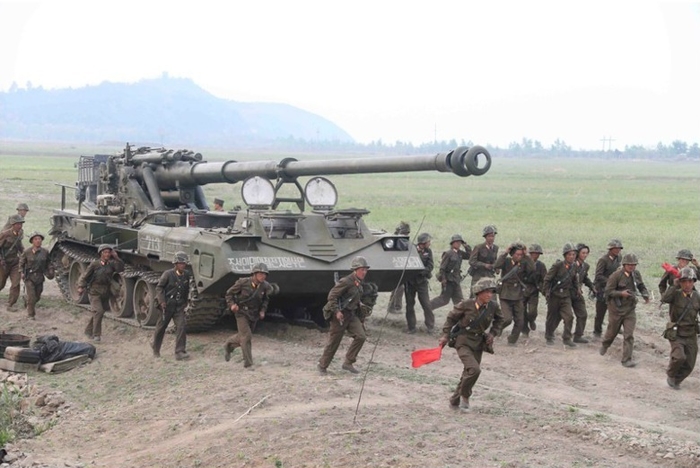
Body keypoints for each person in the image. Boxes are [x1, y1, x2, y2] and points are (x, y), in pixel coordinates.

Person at [438, 277, 504, 411]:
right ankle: (465, 397)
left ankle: (454, 401)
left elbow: (500, 320)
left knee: (468, 372)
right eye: (486, 292)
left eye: (491, 292)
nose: (489, 295)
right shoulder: (466, 305)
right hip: (463, 341)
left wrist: (492, 334)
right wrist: (445, 335)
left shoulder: (493, 306)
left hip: (479, 342)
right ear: (478, 292)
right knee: (474, 369)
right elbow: (451, 318)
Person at [318, 256, 370, 375]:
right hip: (340, 316)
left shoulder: (358, 283)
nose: (364, 272)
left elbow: (354, 298)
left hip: (351, 315)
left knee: (361, 336)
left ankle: (348, 362)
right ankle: (322, 366)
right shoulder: (346, 281)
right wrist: (336, 311)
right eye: (362, 269)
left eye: (366, 270)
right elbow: (332, 296)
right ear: (355, 269)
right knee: (334, 342)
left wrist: (360, 307)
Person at [599, 253, 650, 367]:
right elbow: (608, 291)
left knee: (629, 335)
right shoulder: (616, 275)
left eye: (634, 265)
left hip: (630, 310)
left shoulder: (636, 274)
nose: (632, 267)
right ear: (624, 265)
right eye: (629, 265)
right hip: (616, 309)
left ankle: (626, 359)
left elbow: (641, 285)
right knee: (612, 332)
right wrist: (621, 293)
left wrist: (645, 294)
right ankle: (605, 345)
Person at [224, 263, 274, 368]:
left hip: (254, 314)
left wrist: (263, 311)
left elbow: (266, 300)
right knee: (247, 336)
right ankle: (248, 363)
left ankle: (229, 344)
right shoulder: (243, 282)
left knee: (243, 337)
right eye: (260, 274)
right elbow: (229, 293)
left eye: (265, 274)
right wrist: (232, 305)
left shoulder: (264, 286)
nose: (263, 276)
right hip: (241, 313)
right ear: (254, 274)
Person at [661, 267, 700, 389]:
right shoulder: (675, 294)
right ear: (680, 282)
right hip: (676, 333)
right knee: (679, 357)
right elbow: (665, 299)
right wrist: (674, 286)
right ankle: (671, 375)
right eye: (684, 281)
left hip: (691, 334)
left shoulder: (697, 297)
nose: (687, 284)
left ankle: (676, 380)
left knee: (690, 364)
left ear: (694, 282)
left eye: (690, 281)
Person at [77, 244, 125, 341]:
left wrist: (116, 257)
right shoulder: (95, 264)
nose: (107, 254)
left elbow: (121, 269)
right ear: (101, 254)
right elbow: (85, 275)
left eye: (109, 252)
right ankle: (96, 335)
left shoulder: (111, 264)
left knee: (98, 312)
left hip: (105, 292)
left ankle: (88, 331)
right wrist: (80, 286)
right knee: (99, 311)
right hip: (94, 292)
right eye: (105, 252)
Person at [151, 251, 192, 361]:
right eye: (180, 263)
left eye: (184, 263)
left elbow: (186, 289)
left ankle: (179, 351)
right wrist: (162, 301)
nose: (182, 265)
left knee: (181, 326)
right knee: (161, 327)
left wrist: (185, 302)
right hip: (167, 305)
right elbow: (159, 288)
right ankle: (156, 349)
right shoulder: (168, 274)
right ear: (175, 264)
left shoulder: (187, 274)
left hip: (179, 306)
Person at [494, 242, 533, 345]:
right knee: (507, 319)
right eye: (517, 254)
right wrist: (505, 252)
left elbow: (532, 269)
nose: (519, 257)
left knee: (520, 321)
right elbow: (496, 265)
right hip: (505, 294)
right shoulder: (506, 261)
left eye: (521, 255)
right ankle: (497, 329)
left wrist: (527, 255)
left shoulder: (524, 263)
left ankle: (512, 340)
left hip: (518, 295)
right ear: (512, 254)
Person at [543, 243, 579, 347]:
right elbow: (547, 279)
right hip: (554, 295)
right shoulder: (557, 266)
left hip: (566, 295)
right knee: (552, 317)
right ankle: (549, 335)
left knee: (569, 317)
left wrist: (577, 289)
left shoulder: (574, 267)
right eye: (569, 255)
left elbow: (574, 280)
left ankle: (567, 338)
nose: (572, 257)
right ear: (565, 256)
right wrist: (546, 292)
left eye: (573, 254)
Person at [429, 234, 471, 311]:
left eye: (460, 242)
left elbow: (469, 255)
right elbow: (442, 268)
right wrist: (444, 280)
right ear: (452, 243)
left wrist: (466, 245)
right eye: (456, 242)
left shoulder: (460, 253)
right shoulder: (448, 253)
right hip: (448, 280)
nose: (458, 244)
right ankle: (428, 307)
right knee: (444, 300)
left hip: (456, 280)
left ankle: (459, 317)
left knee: (459, 301)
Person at [18, 232, 54, 319]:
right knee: (32, 297)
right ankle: (31, 315)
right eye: (36, 239)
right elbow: (21, 263)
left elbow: (49, 262)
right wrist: (21, 272)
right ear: (32, 241)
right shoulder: (27, 252)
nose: (38, 241)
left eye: (39, 239)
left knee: (37, 296)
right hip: (29, 277)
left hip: (40, 277)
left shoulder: (45, 252)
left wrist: (51, 270)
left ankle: (27, 301)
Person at [405, 232, 434, 334]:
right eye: (428, 241)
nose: (429, 243)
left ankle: (430, 327)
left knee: (426, 304)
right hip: (410, 282)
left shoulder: (428, 251)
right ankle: (411, 327)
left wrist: (421, 271)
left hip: (421, 281)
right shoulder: (411, 249)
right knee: (409, 305)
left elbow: (430, 266)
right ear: (423, 242)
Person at [593, 239, 623, 337]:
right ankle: (597, 331)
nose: (618, 250)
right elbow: (598, 276)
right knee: (601, 311)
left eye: (619, 248)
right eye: (616, 248)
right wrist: (610, 281)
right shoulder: (603, 260)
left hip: (613, 289)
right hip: (602, 288)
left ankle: (615, 328)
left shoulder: (619, 258)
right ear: (610, 249)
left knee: (616, 310)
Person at [571, 243, 596, 343]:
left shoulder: (585, 266)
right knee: (563, 315)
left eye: (587, 253)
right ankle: (550, 333)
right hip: (567, 293)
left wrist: (592, 286)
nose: (585, 255)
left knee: (583, 314)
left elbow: (584, 278)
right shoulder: (570, 265)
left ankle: (578, 335)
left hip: (577, 294)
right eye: (583, 253)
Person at [0, 214, 26, 310]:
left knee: (15, 283)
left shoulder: (19, 234)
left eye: (21, 224)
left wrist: (26, 256)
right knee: (1, 283)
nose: (20, 226)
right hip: (4, 263)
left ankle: (10, 304)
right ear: (13, 224)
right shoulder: (4, 234)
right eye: (18, 224)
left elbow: (20, 247)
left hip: (15, 263)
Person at [522, 243, 546, 336]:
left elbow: (544, 279)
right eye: (533, 253)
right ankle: (524, 330)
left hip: (534, 290)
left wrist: (544, 289)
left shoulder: (541, 266)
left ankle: (531, 320)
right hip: (522, 290)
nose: (535, 256)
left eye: (537, 254)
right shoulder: (523, 263)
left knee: (533, 312)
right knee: (521, 311)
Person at [468, 225, 499, 297]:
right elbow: (472, 261)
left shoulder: (495, 248)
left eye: (493, 236)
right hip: (478, 276)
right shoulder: (479, 247)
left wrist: (497, 267)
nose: (491, 238)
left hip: (490, 275)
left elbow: (495, 260)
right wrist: (484, 265)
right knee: (475, 297)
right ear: (485, 237)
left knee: (492, 298)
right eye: (489, 236)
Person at [387, 221, 410, 313]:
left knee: (397, 287)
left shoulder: (398, 239)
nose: (406, 235)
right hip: (393, 267)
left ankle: (392, 307)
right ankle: (397, 307)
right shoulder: (395, 240)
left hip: (399, 267)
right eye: (405, 233)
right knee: (399, 287)